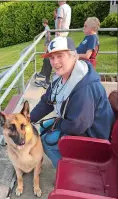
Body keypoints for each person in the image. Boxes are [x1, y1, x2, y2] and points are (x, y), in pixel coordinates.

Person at [30, 36, 115, 169]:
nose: (55, 62)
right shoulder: (61, 77)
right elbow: (47, 101)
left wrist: (58, 124)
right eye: (52, 57)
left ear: (73, 56)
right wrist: (28, 118)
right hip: (76, 123)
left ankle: (71, 172)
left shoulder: (84, 87)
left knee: (48, 141)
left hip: (95, 135)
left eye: (60, 56)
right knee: (43, 127)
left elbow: (78, 125)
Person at [35, 17, 100, 89]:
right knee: (51, 55)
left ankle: (46, 79)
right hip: (75, 57)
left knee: (51, 58)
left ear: (92, 28)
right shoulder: (88, 37)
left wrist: (73, 55)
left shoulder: (93, 38)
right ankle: (45, 77)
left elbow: (87, 56)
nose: (83, 28)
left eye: (85, 26)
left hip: (80, 61)